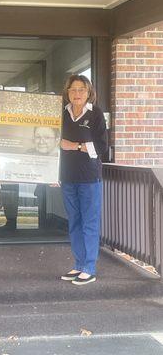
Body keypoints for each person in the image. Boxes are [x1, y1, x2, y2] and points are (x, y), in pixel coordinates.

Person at [60, 74, 108, 285]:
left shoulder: (96, 114)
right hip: (67, 178)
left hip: (89, 178)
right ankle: (79, 264)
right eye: (73, 89)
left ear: (89, 93)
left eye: (81, 90)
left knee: (89, 222)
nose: (77, 93)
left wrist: (75, 146)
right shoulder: (62, 114)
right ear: (67, 92)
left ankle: (90, 267)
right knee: (74, 222)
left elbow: (102, 147)